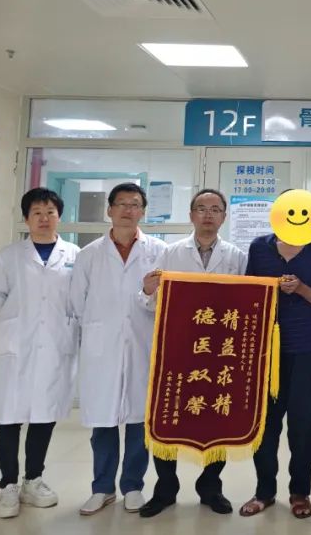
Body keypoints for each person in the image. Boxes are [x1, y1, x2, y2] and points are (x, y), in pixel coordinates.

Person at [136, 188, 248, 518]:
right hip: (178, 348)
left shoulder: (237, 257)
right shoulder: (170, 253)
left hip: (220, 352)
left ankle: (210, 487)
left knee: (218, 414)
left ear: (224, 216)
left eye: (215, 209)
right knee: (168, 414)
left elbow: (246, 304)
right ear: (191, 215)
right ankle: (165, 488)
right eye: (201, 208)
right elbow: (149, 301)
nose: (208, 214)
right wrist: (147, 289)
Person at [68, 183, 168, 516]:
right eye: (121, 204)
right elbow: (77, 303)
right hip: (103, 349)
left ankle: (133, 486)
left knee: (139, 421)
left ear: (143, 212)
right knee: (104, 421)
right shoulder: (89, 254)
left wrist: (147, 295)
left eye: (135, 204)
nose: (128, 210)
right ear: (109, 210)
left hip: (142, 344)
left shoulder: (159, 252)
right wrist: (100, 327)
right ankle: (102, 488)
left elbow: (165, 302)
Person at [0, 188, 81, 519]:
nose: (44, 218)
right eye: (37, 213)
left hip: (55, 347)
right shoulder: (9, 256)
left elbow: (77, 299)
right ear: (26, 218)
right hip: (17, 348)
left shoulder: (74, 255)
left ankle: (33, 480)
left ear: (59, 216)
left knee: (45, 415)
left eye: (50, 212)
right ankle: (8, 485)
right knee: (9, 417)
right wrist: (21, 323)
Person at [239, 218, 311, 519]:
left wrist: (301, 288)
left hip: (305, 348)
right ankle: (264, 491)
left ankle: (299, 492)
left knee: (302, 425)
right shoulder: (259, 247)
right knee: (265, 425)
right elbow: (249, 294)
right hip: (266, 350)